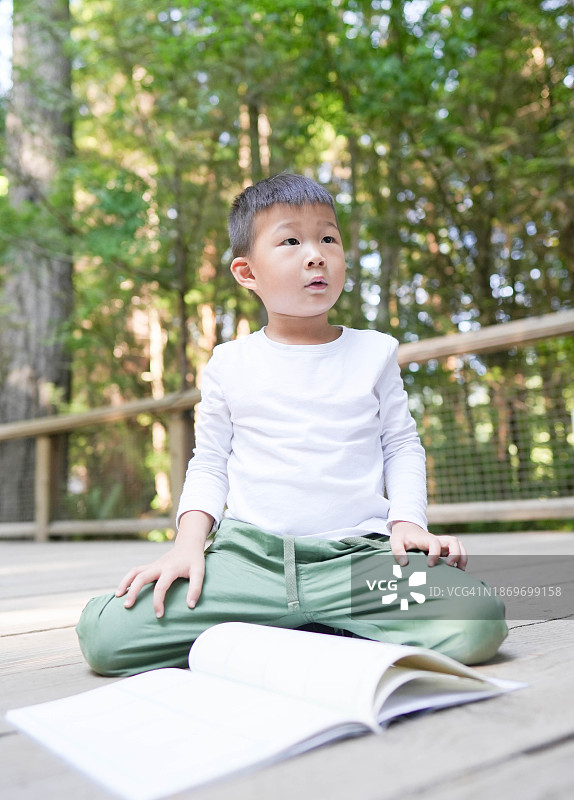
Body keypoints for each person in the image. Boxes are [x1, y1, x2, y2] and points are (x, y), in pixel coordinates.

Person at [77, 173, 507, 676]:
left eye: (328, 238)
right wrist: (188, 546)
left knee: (478, 621)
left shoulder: (375, 351)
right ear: (247, 272)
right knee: (107, 637)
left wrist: (408, 525)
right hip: (248, 562)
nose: (315, 254)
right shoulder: (229, 363)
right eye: (290, 241)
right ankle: (301, 620)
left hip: (355, 562)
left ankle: (309, 619)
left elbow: (401, 445)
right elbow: (210, 462)